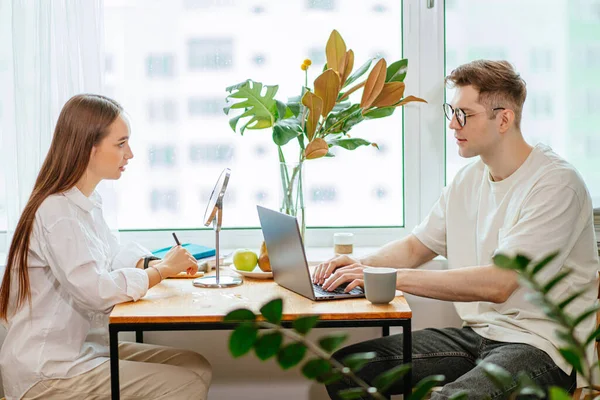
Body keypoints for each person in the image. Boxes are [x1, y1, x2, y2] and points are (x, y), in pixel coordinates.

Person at [314, 60, 599, 398]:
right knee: (346, 370)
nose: (452, 124)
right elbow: (417, 246)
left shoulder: (555, 185)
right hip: (479, 335)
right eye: (452, 111)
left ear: (504, 119)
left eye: (464, 114)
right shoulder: (469, 179)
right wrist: (358, 267)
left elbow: (499, 283)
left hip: (542, 347)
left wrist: (387, 276)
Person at [0, 94, 212, 400]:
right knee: (186, 383)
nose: (131, 154)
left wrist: (152, 263)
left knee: (196, 366)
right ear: (90, 147)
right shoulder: (56, 213)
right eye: (121, 143)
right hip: (48, 371)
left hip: (81, 351)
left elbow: (110, 255)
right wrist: (163, 271)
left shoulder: (85, 202)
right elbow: (97, 291)